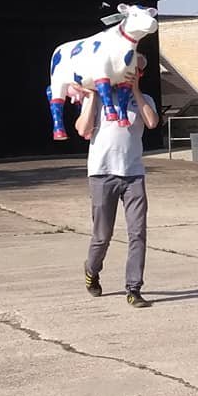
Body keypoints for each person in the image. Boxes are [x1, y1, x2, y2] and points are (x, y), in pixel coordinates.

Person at [74, 54, 159, 308]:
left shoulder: (145, 100)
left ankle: (133, 288)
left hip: (133, 174)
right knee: (102, 235)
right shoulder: (100, 97)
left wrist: (136, 91)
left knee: (138, 233)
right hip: (102, 173)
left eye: (138, 72)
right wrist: (91, 97)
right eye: (130, 70)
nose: (133, 73)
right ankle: (92, 269)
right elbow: (82, 130)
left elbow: (152, 122)